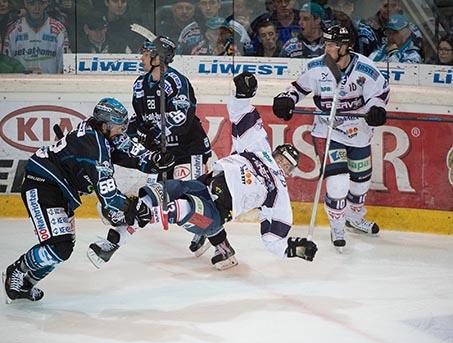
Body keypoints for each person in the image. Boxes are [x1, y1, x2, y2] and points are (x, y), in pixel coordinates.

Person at [88, 72, 318, 270]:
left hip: (215, 213)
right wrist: (243, 93)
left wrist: (293, 249)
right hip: (201, 186)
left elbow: (273, 239)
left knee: (179, 208)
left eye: (288, 165)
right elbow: (240, 113)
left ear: (289, 173)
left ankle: (209, 240)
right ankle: (114, 241)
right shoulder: (259, 148)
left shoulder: (279, 190)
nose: (282, 165)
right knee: (156, 191)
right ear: (275, 152)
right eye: (282, 158)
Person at [2, 97, 174, 302]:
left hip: (61, 190)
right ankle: (17, 270)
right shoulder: (95, 147)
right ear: (106, 125)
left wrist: (153, 160)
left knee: (62, 248)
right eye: (120, 127)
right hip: (41, 183)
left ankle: (25, 285)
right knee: (59, 247)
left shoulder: (102, 131)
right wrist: (132, 205)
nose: (122, 130)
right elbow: (108, 197)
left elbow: (129, 148)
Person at [273, 25, 389, 249]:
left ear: (346, 47)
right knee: (338, 183)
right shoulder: (316, 67)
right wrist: (286, 99)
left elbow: (379, 94)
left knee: (360, 183)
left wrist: (377, 109)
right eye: (325, 44)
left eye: (332, 45)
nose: (327, 49)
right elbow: (296, 89)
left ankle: (354, 219)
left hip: (359, 134)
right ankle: (337, 226)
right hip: (328, 132)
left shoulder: (366, 68)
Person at [128, 35, 212, 257]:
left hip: (189, 147)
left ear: (159, 57)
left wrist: (155, 132)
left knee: (192, 197)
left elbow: (183, 118)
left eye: (146, 53)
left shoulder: (176, 81)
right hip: (163, 151)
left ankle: (209, 231)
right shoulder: (139, 85)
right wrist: (126, 133)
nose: (142, 57)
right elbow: (140, 120)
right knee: (157, 196)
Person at [2, 0, 69, 73]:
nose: (37, 8)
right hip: (20, 82)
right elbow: (6, 63)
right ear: (25, 4)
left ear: (46, 3)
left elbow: (65, 63)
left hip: (51, 83)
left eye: (41, 3)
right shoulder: (14, 30)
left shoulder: (58, 29)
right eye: (32, 3)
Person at [177, 0, 251, 55]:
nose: (208, 7)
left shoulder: (236, 28)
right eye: (204, 3)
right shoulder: (189, 30)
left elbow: (249, 53)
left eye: (212, 3)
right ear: (199, 5)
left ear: (219, 4)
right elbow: (179, 55)